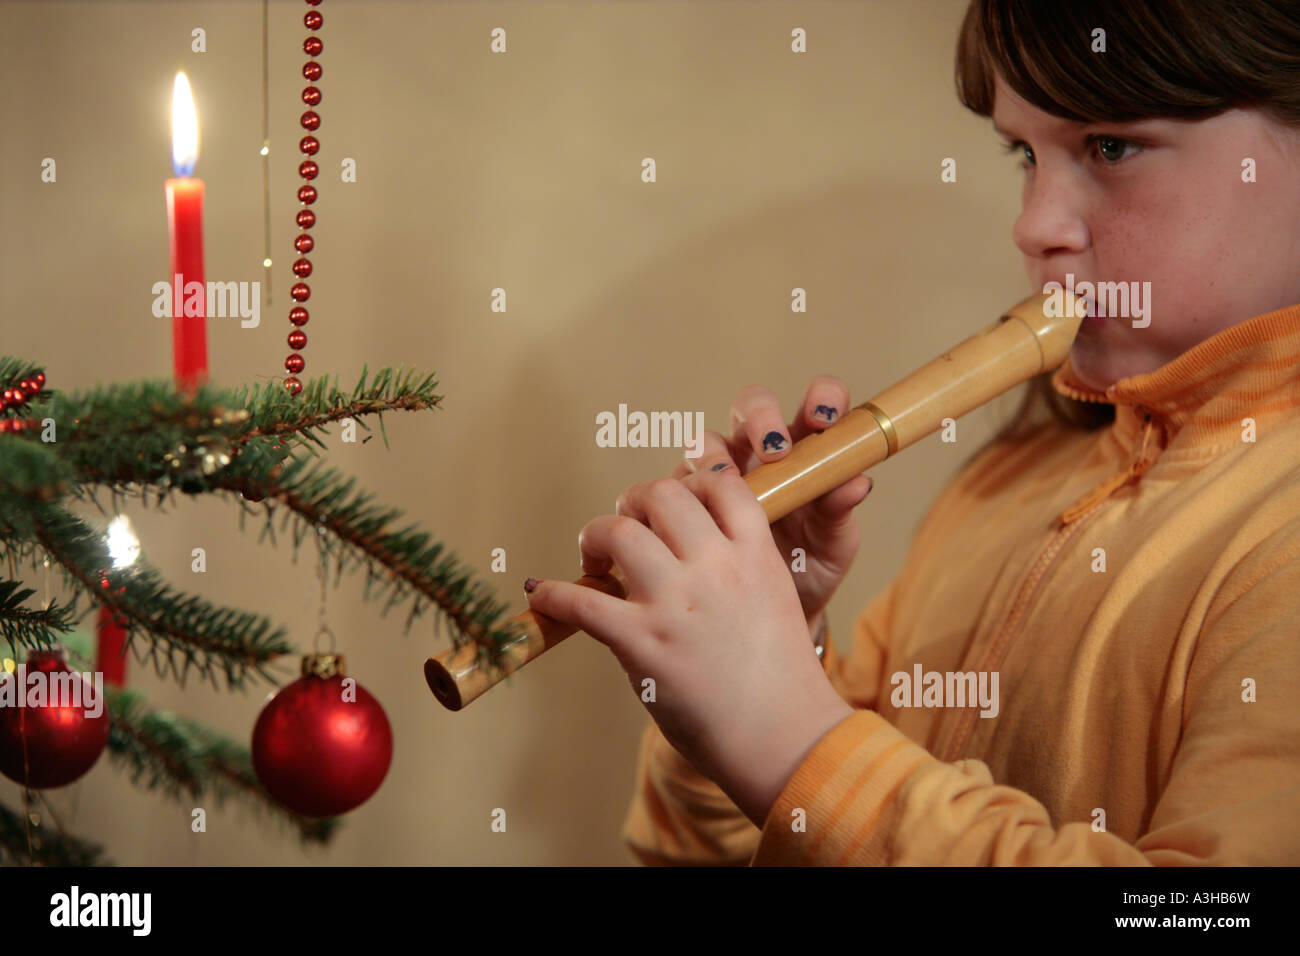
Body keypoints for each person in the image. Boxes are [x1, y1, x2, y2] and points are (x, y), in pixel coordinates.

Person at [523, 0, 1300, 864]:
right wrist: (771, 659)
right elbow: (711, 854)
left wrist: (789, 737)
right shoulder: (1012, 481)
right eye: (1024, 155)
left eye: (1111, 146)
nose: (1034, 225)